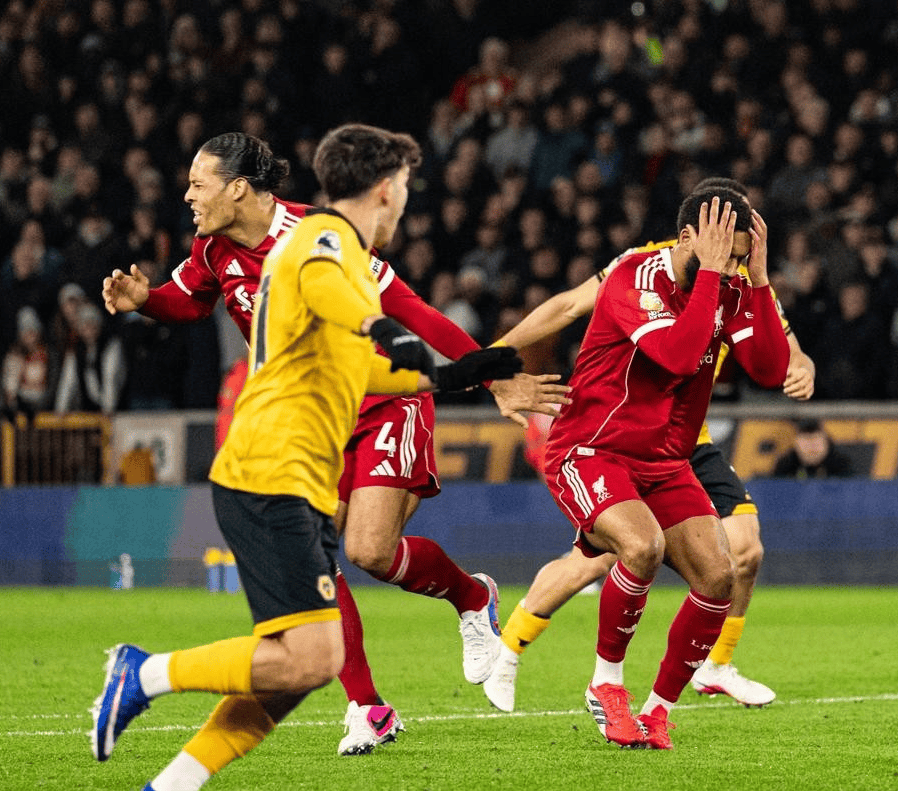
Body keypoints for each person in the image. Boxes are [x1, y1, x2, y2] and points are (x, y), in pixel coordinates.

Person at [100, 132, 567, 757]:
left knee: (369, 550)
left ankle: (471, 595)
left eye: (197, 184)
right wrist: (145, 302)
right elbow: (185, 303)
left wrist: (496, 378)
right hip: (320, 415)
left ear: (237, 188)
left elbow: (412, 311)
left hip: (386, 396)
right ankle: (368, 707)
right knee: (319, 558)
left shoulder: (318, 236)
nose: (186, 196)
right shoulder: (212, 249)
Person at [481, 179, 815, 715]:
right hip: (609, 437)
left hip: (680, 443)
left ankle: (712, 667)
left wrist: (774, 306)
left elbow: (776, 355)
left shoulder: (737, 276)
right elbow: (574, 308)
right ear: (693, 234)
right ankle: (514, 649)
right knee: (614, 555)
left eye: (740, 256)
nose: (732, 265)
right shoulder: (641, 269)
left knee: (739, 553)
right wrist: (488, 361)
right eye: (726, 253)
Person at [772, 418, 853, 478]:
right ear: (796, 443)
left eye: (816, 442)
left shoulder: (842, 465)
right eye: (806, 442)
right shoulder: (785, 466)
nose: (811, 447)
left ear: (827, 442)